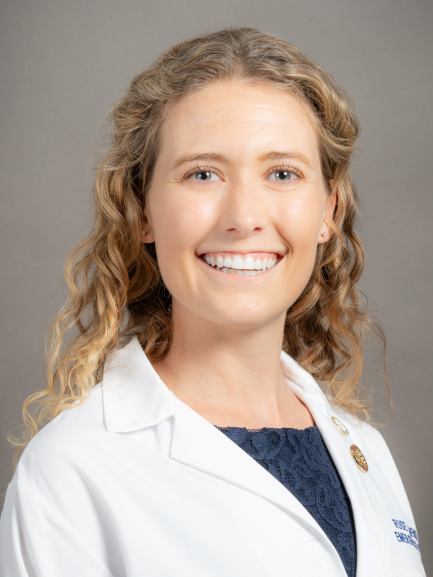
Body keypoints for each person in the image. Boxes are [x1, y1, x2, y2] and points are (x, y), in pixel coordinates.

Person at [0, 27, 426, 577]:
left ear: (330, 211)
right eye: (203, 173)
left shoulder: (365, 453)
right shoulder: (72, 471)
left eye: (282, 173)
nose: (244, 216)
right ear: (143, 211)